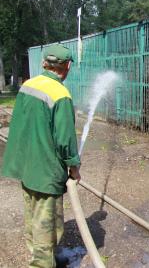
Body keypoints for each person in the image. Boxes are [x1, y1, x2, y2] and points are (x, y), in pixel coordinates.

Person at [2, 43, 81, 268]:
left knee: (33, 217)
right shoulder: (61, 94)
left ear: (45, 63)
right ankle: (41, 264)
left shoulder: (28, 85)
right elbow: (65, 140)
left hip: (26, 167)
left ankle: (40, 256)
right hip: (46, 171)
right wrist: (74, 167)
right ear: (66, 66)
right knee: (48, 225)